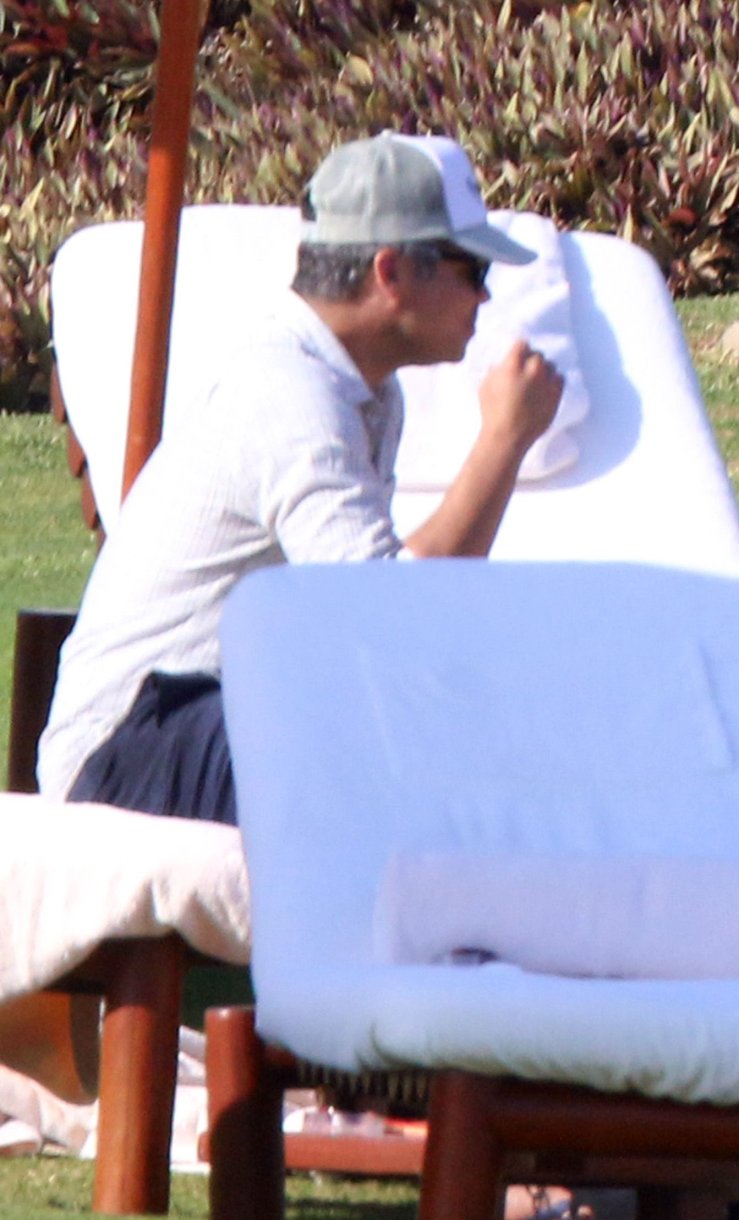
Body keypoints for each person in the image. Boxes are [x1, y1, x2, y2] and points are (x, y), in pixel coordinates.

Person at [36, 132, 563, 822]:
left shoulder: (366, 393)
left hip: (211, 720)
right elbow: (388, 619)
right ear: (391, 271)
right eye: (473, 270)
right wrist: (503, 441)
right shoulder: (290, 394)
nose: (484, 297)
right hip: (134, 747)